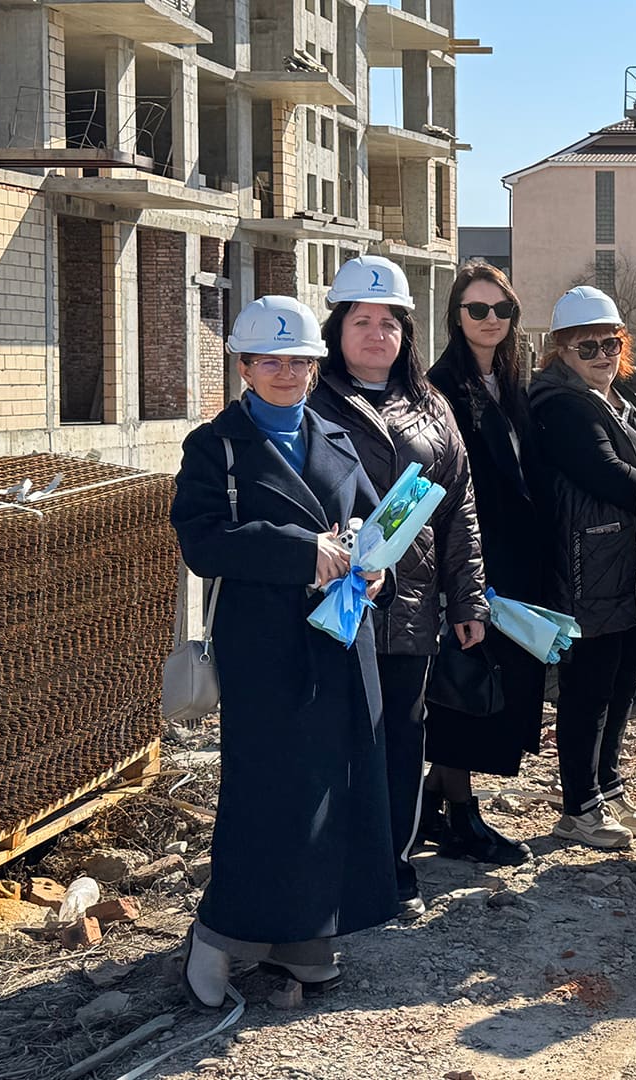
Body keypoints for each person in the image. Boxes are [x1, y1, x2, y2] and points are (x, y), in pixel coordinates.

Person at [169, 295, 394, 1006]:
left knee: (334, 789)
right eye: (270, 361)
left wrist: (376, 568)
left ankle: (306, 940)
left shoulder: (337, 436)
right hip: (265, 649)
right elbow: (202, 542)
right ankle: (218, 937)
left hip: (341, 639)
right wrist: (302, 551)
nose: (286, 374)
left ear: (315, 366)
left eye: (298, 361)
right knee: (265, 794)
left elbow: (371, 523)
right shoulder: (215, 447)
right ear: (243, 367)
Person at [306, 255, 490, 916]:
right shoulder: (310, 400)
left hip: (410, 607)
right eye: (361, 320)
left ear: (406, 333)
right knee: (334, 741)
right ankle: (331, 869)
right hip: (333, 607)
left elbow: (459, 508)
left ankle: (391, 867)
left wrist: (468, 598)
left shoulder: (430, 406)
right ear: (337, 329)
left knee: (401, 741)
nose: (376, 334)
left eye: (389, 322)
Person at [422, 261, 546, 866]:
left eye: (502, 309)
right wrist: (459, 572)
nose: (490, 319)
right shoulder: (441, 386)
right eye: (477, 309)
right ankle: (463, 818)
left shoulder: (513, 381)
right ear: (456, 316)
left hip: (515, 561)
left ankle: (427, 805)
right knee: (462, 688)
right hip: (470, 559)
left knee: (495, 686)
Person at [527, 286, 636, 850]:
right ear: (561, 350)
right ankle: (579, 804)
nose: (602, 355)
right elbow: (607, 474)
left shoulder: (617, 401)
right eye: (587, 347)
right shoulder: (561, 407)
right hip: (588, 564)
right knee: (590, 687)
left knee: (624, 679)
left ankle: (607, 786)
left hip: (623, 559)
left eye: (610, 344)